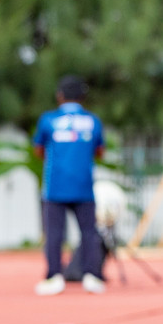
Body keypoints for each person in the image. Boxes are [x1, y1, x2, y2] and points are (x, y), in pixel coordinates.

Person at [32, 76, 106, 296]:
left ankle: (54, 276)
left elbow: (38, 149)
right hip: (84, 186)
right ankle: (92, 276)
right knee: (89, 233)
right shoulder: (93, 121)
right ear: (83, 97)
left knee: (54, 233)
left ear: (59, 96)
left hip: (55, 187)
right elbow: (100, 151)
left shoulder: (48, 120)